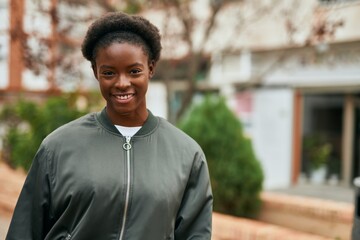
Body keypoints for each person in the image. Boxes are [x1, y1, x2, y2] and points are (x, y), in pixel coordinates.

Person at [6, 12, 213, 240]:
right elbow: (24, 231)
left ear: (151, 68)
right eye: (109, 73)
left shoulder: (186, 154)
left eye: (134, 71)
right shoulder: (57, 148)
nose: (122, 83)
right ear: (96, 72)